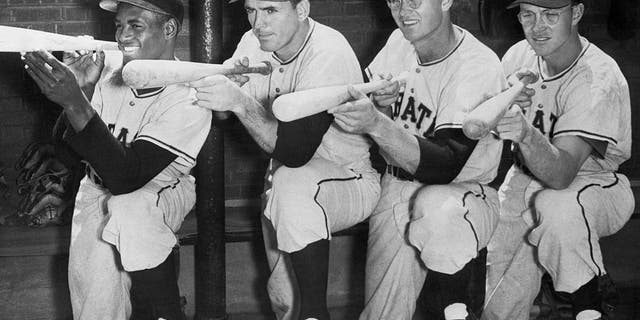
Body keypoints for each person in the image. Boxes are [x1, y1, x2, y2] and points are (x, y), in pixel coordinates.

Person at [189, 1, 381, 319]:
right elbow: (222, 116)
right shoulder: (256, 40)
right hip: (283, 183)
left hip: (349, 178)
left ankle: (317, 314)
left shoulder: (327, 51)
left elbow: (295, 153)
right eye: (251, 10)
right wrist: (224, 94)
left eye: (270, 10)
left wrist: (240, 102)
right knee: (283, 301)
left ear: (302, 9)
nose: (258, 22)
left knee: (305, 304)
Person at [21, 0, 212, 319]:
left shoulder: (187, 96)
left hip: (159, 190)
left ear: (168, 29)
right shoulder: (107, 73)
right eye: (119, 25)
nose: (123, 35)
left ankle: (167, 312)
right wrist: (82, 91)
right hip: (97, 188)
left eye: (135, 25)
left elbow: (129, 178)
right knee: (96, 301)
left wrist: (76, 103)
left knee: (131, 207)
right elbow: (66, 158)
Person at [326, 0, 506, 319]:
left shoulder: (477, 65)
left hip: (462, 195)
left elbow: (445, 165)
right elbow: (381, 125)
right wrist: (381, 108)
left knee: (439, 216)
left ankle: (455, 308)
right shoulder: (400, 41)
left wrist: (376, 122)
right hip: (397, 184)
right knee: (382, 315)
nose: (403, 9)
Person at [482, 1, 634, 319]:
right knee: (501, 300)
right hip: (525, 175)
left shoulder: (596, 76)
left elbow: (563, 174)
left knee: (557, 206)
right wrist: (499, 101)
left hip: (595, 183)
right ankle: (555, 292)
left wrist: (524, 133)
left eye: (551, 15)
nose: (538, 27)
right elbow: (482, 130)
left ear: (576, 14)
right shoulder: (518, 55)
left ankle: (589, 300)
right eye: (528, 14)